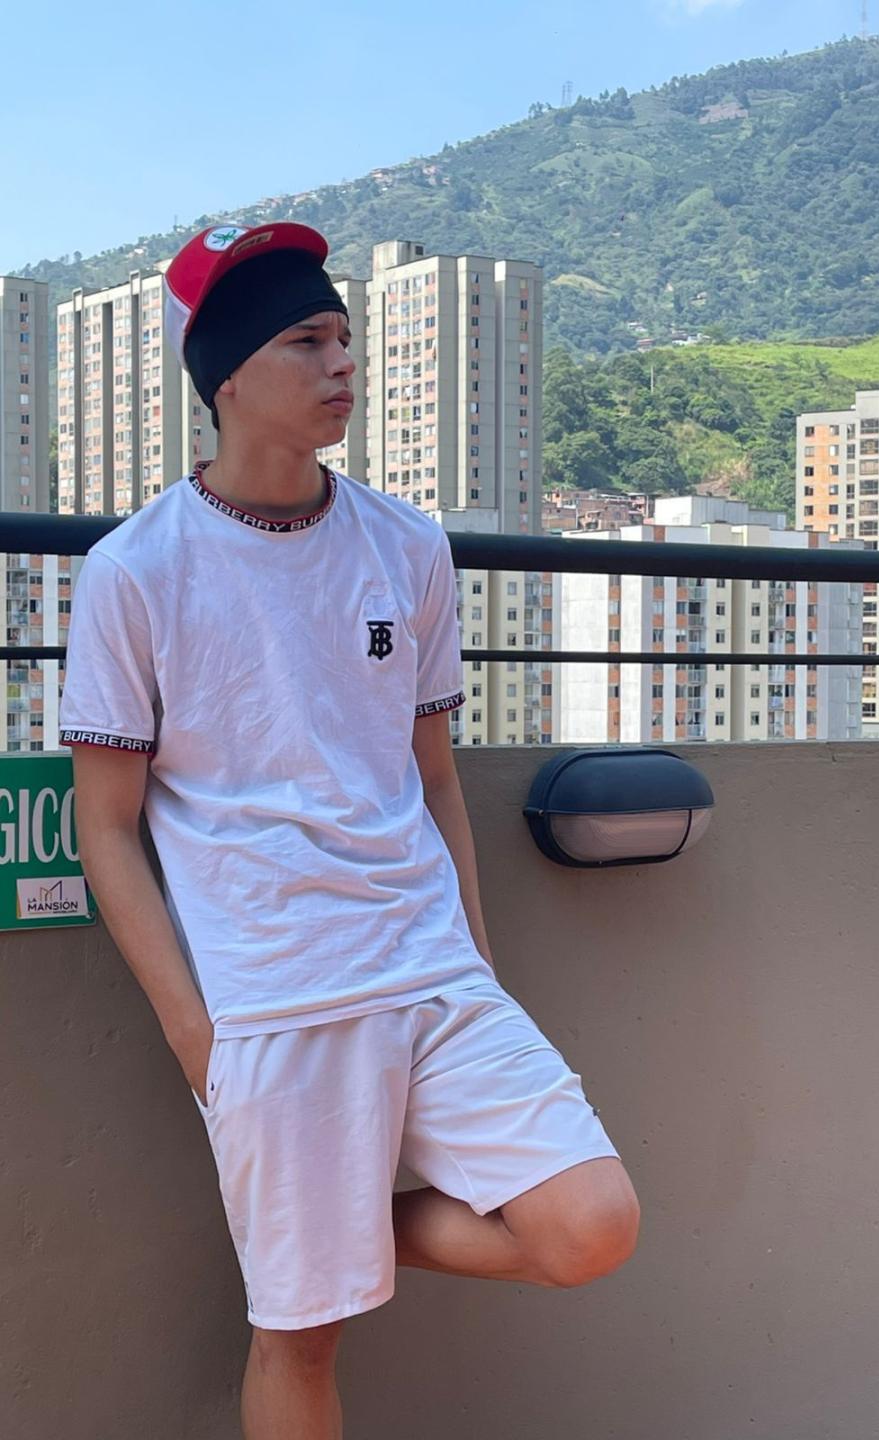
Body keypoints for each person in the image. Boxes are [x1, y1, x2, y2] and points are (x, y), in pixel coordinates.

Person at [59, 222, 640, 1440]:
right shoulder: (134, 571)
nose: (342, 363)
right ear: (226, 376)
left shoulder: (407, 545)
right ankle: (310, 1245)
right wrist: (199, 1037)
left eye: (346, 337)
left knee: (589, 1226)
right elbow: (106, 825)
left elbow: (434, 778)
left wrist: (476, 959)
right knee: (302, 1336)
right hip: (273, 1000)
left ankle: (328, 1229)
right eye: (306, 340)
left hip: (432, 973)